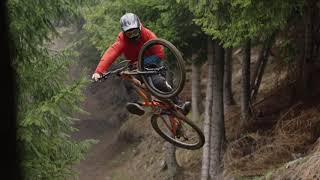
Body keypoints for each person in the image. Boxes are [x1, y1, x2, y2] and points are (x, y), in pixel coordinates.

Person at [92, 12, 191, 116]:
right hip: (136, 67)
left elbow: (159, 53)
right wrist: (99, 71)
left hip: (153, 63)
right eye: (129, 34)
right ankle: (136, 104)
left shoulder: (148, 35)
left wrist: (142, 62)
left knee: (158, 82)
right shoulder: (122, 41)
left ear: (140, 27)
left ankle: (180, 104)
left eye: (135, 32)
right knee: (126, 78)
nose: (133, 36)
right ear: (124, 33)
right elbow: (110, 54)